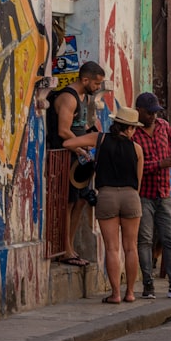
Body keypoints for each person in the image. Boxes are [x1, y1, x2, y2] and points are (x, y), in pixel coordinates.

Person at [133, 92, 171, 301]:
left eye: (155, 113)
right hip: (144, 194)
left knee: (170, 239)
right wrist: (159, 164)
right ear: (139, 111)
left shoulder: (164, 127)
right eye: (149, 113)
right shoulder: (133, 132)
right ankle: (147, 283)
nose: (153, 116)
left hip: (164, 193)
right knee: (145, 240)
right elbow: (134, 165)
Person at [49, 61, 106, 267]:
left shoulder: (83, 97)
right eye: (96, 83)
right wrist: (81, 148)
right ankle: (65, 249)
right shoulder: (68, 97)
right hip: (67, 158)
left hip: (80, 160)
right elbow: (64, 131)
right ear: (85, 80)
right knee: (68, 203)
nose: (98, 87)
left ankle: (70, 246)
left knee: (81, 201)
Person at [89, 105, 144, 304]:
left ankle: (115, 294)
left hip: (107, 196)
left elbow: (69, 141)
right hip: (130, 197)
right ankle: (130, 292)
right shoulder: (137, 149)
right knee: (131, 247)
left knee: (112, 248)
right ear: (130, 128)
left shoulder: (101, 139)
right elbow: (138, 181)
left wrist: (86, 152)